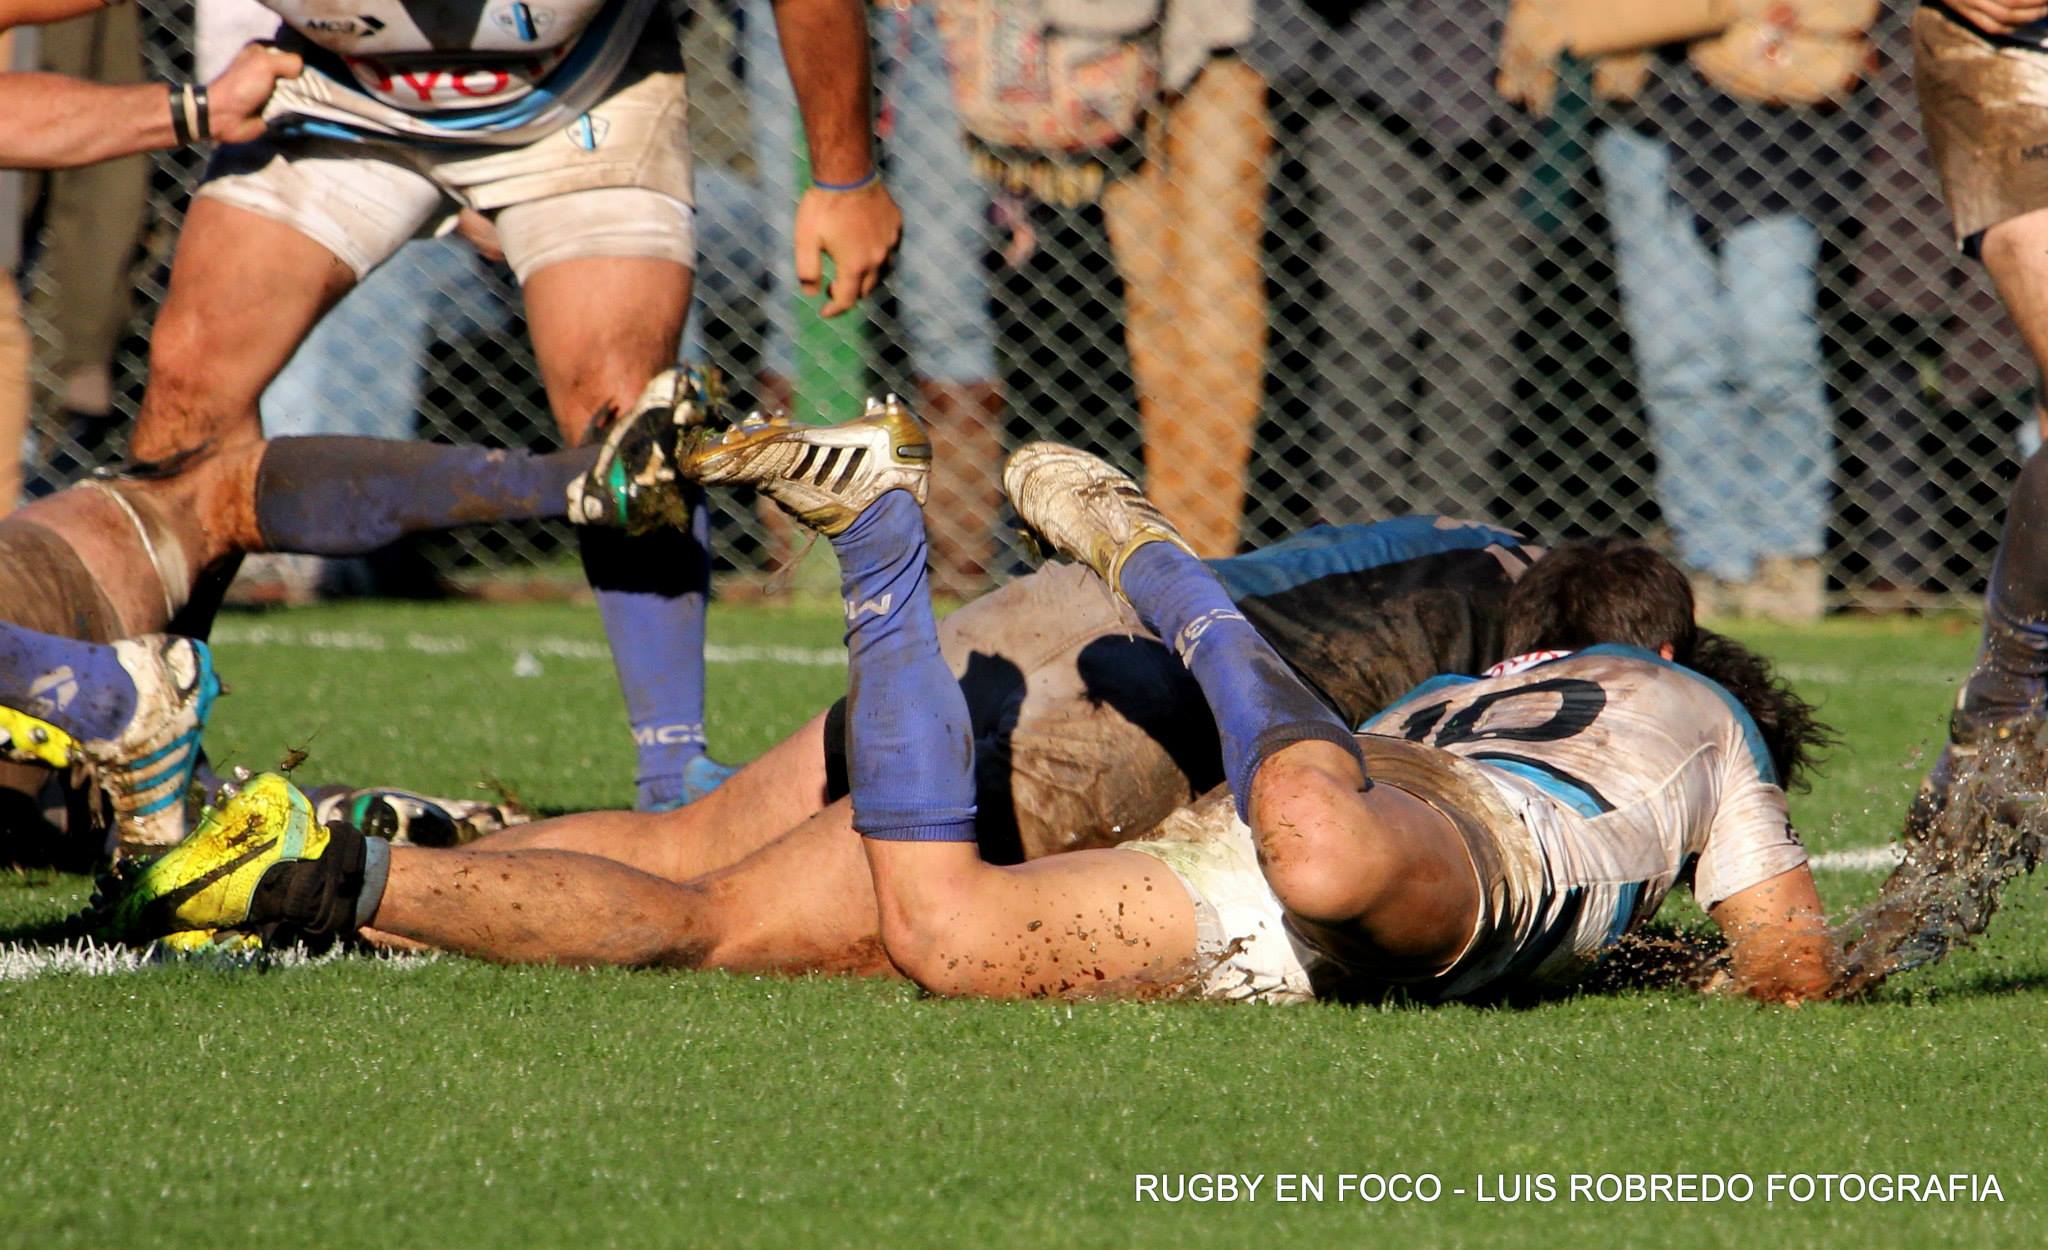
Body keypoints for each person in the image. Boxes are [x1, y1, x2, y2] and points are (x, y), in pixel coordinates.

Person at [96, 425, 1837, 1007]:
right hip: (1110, 702)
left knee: (697, 844)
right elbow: (1331, 792)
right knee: (727, 925)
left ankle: (327, 853)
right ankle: (332, 871)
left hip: (1026, 621)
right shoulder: (1528, 673)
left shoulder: (1468, 557)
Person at [125, 0, 902, 814]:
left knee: (624, 410)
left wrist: (845, 178)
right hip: (339, 96)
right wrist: (187, 109)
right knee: (191, 381)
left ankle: (675, 772)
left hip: (581, 94)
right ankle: (148, 746)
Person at [0, 422, 608, 847]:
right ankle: (576, 479)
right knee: (206, 486)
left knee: (202, 461)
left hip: (48, 616)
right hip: (52, 604)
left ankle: (132, 729)